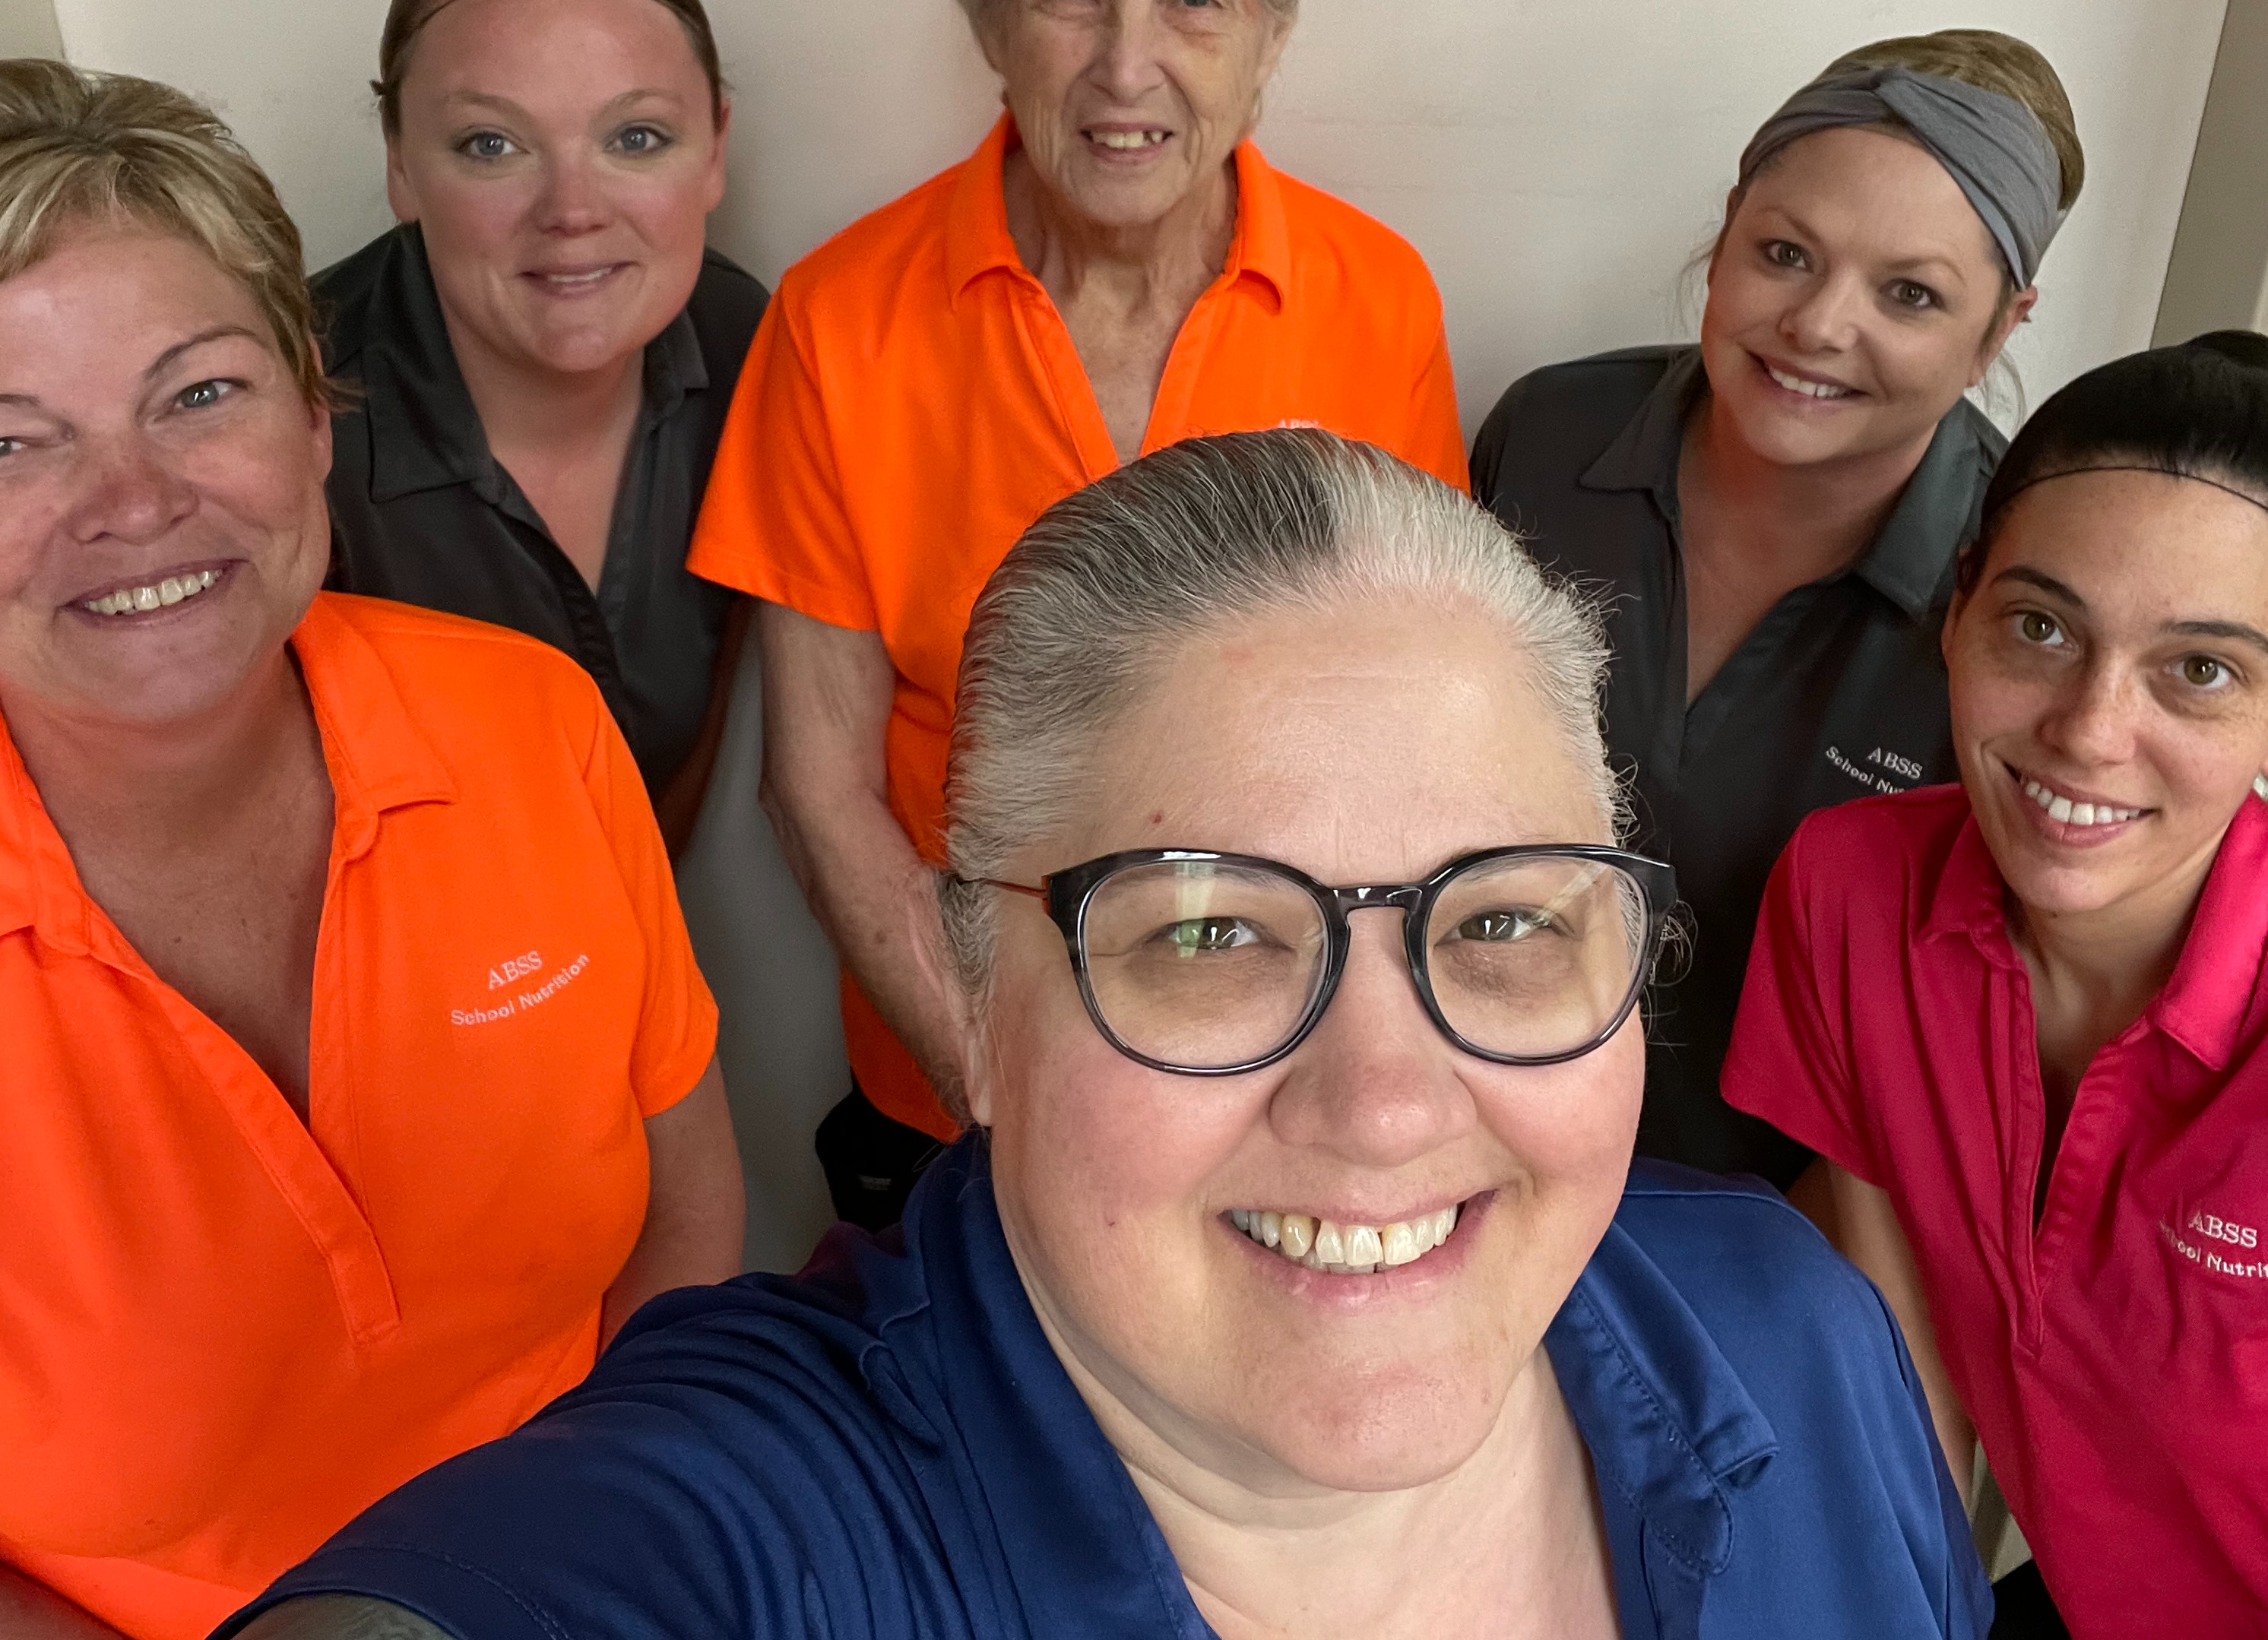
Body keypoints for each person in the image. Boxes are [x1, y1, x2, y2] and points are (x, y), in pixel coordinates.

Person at [225, 430, 1987, 1640]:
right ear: (977, 1008)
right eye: (1209, 933)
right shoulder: (777, 1513)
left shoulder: (1785, 1325)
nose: (1382, 1102)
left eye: (1504, 920)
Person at [0, 62, 746, 1640]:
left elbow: (685, 1210)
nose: (134, 504)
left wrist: (601, 1555)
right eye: (1, 443)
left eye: (200, 394)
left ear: (314, 420)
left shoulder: (530, 723)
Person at [689, 0, 1470, 1224]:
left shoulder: (1380, 300)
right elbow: (818, 786)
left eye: (1194, 0)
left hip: (1288, 1097)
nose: (1128, 68)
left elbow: (1412, 743)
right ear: (984, 5)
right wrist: (995, 1073)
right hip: (959, 1101)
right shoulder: (839, 320)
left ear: (1276, 21)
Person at [1726, 334, 2268, 1640]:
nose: (2085, 728)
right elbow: (1902, 1378)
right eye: (2038, 626)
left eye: (2197, 668)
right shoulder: (1847, 891)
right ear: (1955, 606)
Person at [1473, 30, 2083, 1183]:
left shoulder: (2025, 591)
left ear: (1999, 332)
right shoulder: (1545, 440)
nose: (1817, 325)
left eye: (1909, 294)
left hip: (1776, 1222)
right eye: (1786, 253)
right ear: (1726, 234)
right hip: (1465, 1139)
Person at [315, 0, 768, 859]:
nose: (571, 211)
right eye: (492, 144)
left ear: (716, 150)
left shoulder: (748, 347)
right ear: (399, 162)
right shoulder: (283, 425)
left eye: (635, 138)